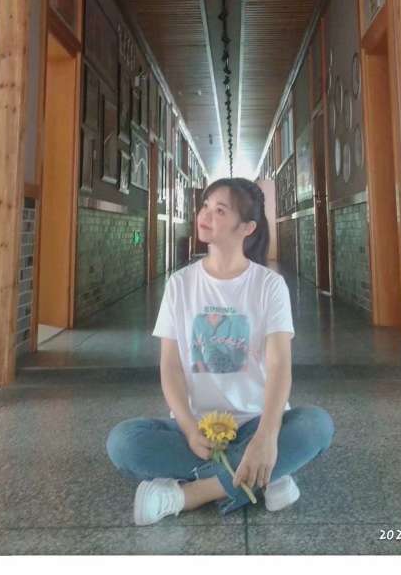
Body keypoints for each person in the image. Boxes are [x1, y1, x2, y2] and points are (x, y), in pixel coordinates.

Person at [106, 177, 335, 525]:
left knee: (316, 425)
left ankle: (191, 493)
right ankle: (265, 475)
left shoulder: (269, 285)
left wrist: (266, 436)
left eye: (220, 210)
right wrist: (188, 428)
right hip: (198, 430)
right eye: (205, 206)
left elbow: (279, 366)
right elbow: (170, 367)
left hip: (257, 422)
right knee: (123, 442)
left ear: (246, 228)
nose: (205, 215)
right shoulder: (180, 284)